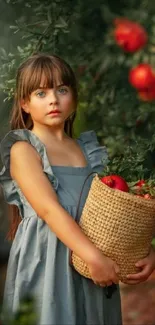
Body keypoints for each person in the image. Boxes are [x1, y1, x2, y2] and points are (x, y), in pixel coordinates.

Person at [0, 53, 154, 325]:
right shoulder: (24, 150)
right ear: (24, 103)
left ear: (74, 96)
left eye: (62, 89)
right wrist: (94, 258)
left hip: (92, 266)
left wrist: (144, 250)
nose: (53, 100)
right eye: (40, 93)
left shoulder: (90, 153)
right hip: (47, 264)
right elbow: (49, 209)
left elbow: (115, 212)